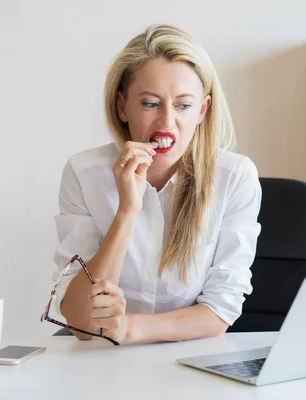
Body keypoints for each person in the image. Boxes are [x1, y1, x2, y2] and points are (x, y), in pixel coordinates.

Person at [50, 24, 262, 345]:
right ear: (122, 107)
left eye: (183, 106)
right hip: (101, 361)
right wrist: (127, 211)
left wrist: (129, 329)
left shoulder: (234, 177)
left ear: (202, 110)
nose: (166, 122)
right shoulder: (84, 173)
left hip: (188, 358)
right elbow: (79, 323)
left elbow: (220, 311)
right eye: (150, 104)